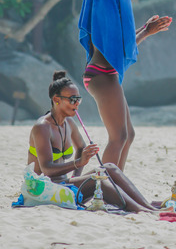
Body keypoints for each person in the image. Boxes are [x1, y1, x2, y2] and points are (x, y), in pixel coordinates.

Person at [78, 0, 172, 171]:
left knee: (128, 135)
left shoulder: (102, 6)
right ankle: (106, 189)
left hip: (102, 74)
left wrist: (145, 31)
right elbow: (116, 50)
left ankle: (115, 186)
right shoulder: (105, 9)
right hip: (103, 75)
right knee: (118, 137)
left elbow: (116, 45)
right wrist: (146, 32)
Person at [27, 71, 161, 212]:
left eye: (79, 99)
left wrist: (76, 177)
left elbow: (81, 147)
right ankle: (141, 210)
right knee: (99, 180)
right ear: (56, 99)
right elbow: (47, 169)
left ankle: (147, 207)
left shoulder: (69, 123)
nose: (77, 103)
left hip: (63, 185)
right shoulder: (42, 127)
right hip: (43, 189)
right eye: (72, 99)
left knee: (110, 167)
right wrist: (78, 163)